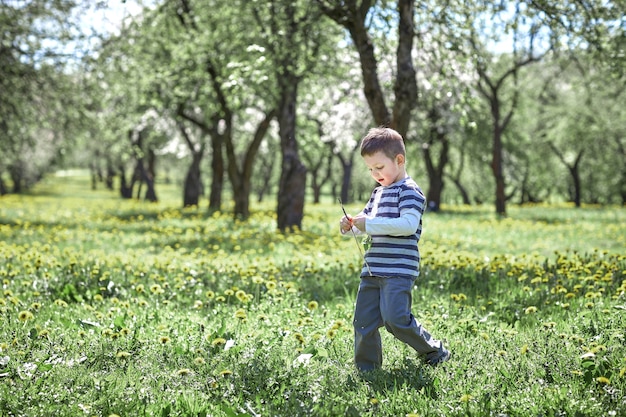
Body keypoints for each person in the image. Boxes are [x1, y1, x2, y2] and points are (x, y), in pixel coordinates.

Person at [340, 127, 450, 371]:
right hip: (372, 269)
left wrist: (368, 223)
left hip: (399, 269)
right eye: (370, 169)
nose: (374, 174)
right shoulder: (378, 193)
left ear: (399, 160)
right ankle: (368, 369)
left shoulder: (409, 191)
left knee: (396, 320)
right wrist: (352, 226)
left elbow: (408, 225)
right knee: (363, 321)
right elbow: (367, 223)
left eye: (379, 167)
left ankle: (434, 350)